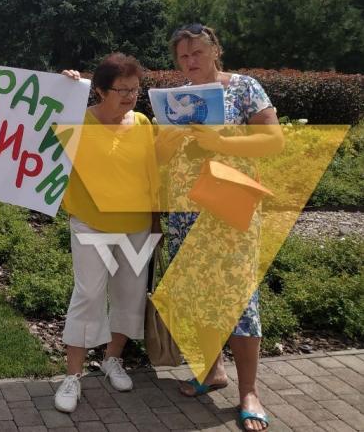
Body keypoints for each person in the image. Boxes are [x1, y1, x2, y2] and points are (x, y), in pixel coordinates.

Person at [157, 23, 283, 432]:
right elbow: (161, 156)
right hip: (184, 210)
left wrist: (223, 143)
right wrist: (165, 144)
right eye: (183, 56)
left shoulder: (244, 88)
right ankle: (212, 371)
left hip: (229, 208)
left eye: (197, 52)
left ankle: (250, 392)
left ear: (215, 51)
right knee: (196, 293)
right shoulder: (176, 98)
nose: (190, 61)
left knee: (238, 297)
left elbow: (274, 141)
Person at [54, 54, 159, 413]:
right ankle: (73, 375)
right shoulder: (76, 121)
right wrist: (62, 88)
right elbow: (34, 126)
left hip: (136, 225)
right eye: (122, 90)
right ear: (99, 90)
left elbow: (152, 176)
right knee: (88, 295)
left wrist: (156, 223)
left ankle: (113, 358)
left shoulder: (142, 123)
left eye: (135, 89)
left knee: (130, 295)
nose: (130, 97)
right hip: (90, 223)